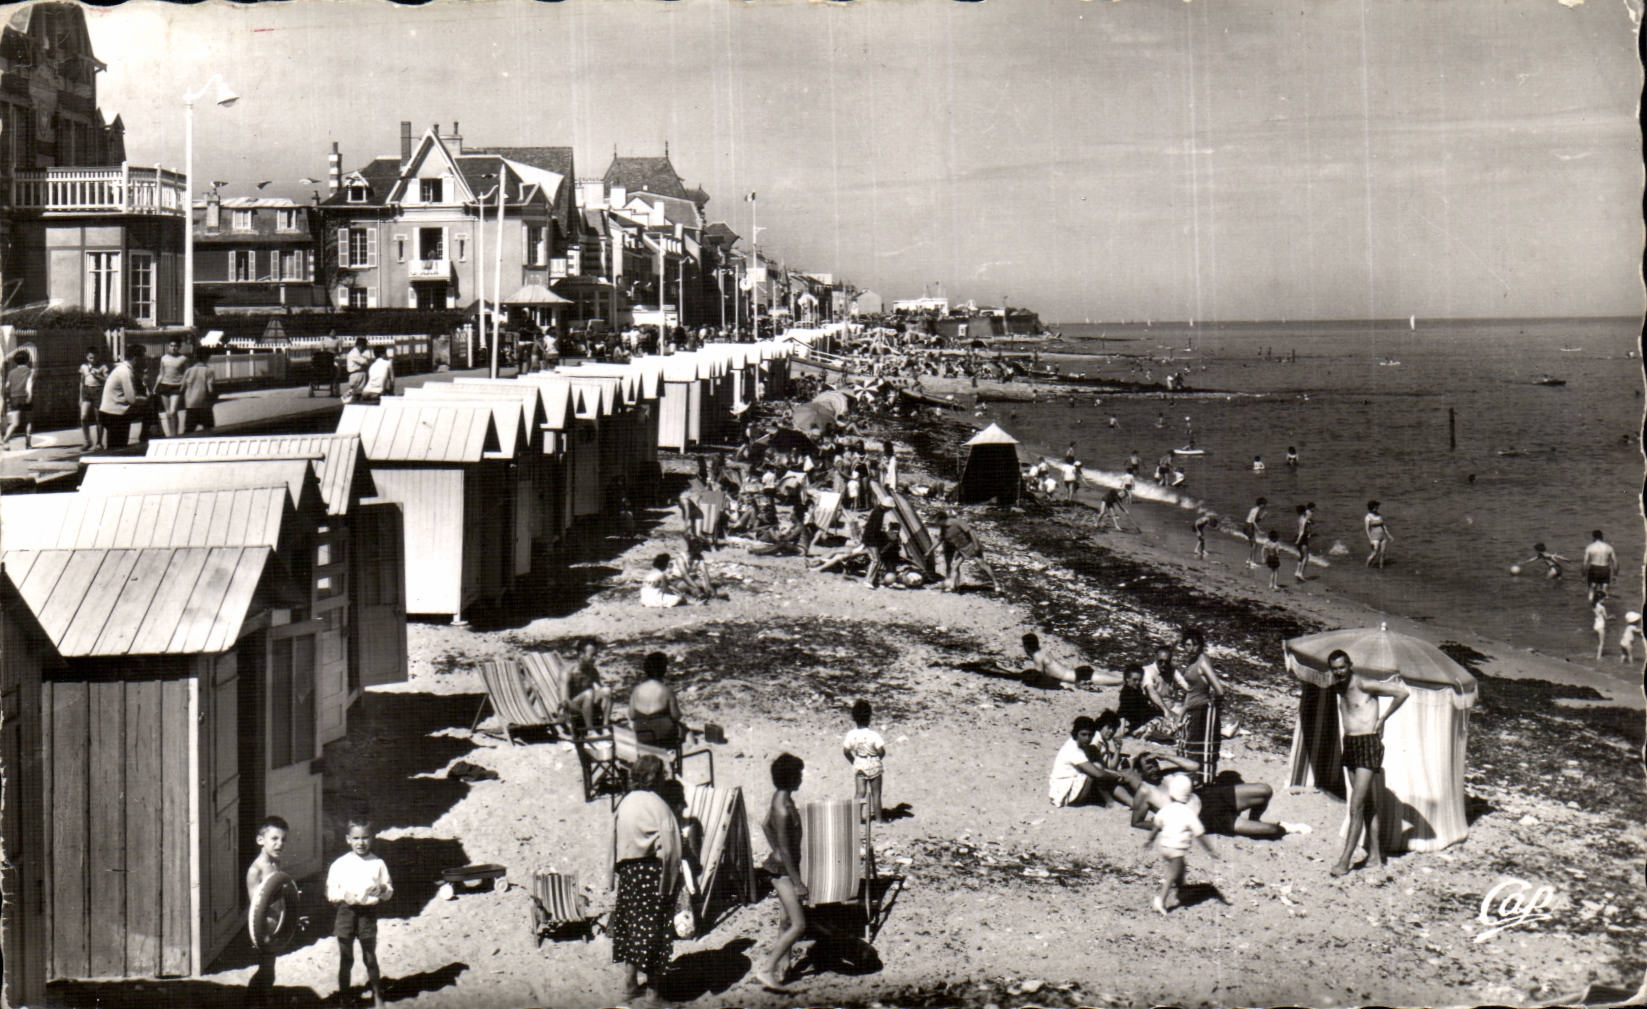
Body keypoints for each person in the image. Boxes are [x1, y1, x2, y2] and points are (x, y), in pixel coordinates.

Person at [1327, 649, 1409, 878]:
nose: (1339, 672)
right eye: (1334, 669)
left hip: (1367, 744)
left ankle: (1344, 861)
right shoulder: (1338, 686)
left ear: (1350, 665)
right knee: (1367, 804)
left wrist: (1383, 718)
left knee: (1355, 806)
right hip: (1350, 745)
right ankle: (1375, 856)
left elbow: (1402, 692)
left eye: (1342, 667)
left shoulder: (1363, 684)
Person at [609, 755, 682, 1006]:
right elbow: (671, 849)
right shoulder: (658, 805)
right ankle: (653, 995)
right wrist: (673, 881)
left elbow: (614, 840)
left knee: (632, 929)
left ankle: (629, 986)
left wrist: (614, 871)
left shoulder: (625, 803)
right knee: (656, 933)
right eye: (662, 775)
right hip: (653, 874)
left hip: (629, 873)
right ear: (654, 778)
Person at [755, 753, 807, 993]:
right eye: (798, 774)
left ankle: (783, 968)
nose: (801, 778)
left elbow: (765, 825)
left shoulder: (781, 799)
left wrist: (774, 845)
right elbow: (786, 851)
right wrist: (798, 884)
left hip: (782, 867)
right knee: (798, 925)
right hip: (783, 872)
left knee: (786, 920)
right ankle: (767, 969)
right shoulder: (783, 808)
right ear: (790, 777)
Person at [328, 816, 393, 1008]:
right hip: (346, 913)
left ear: (372, 838)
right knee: (346, 958)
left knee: (370, 956)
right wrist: (343, 895)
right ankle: (345, 997)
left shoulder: (378, 863)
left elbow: (388, 890)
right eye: (356, 838)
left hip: (367, 914)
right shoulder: (339, 864)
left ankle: (377, 994)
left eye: (365, 837)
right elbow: (331, 891)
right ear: (348, 839)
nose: (361, 842)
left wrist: (381, 890)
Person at [1144, 772, 1217, 915]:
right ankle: (1161, 900)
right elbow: (1200, 834)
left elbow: (1156, 825)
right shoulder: (1189, 813)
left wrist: (1150, 840)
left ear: (1171, 793)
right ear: (1189, 796)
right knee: (1173, 873)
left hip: (1164, 846)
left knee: (1180, 867)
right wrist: (1210, 850)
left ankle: (1181, 888)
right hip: (1176, 849)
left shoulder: (1165, 809)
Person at [245, 816, 293, 1008]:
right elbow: (256, 905)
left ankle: (255, 999)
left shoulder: (275, 863)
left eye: (283, 840)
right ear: (260, 840)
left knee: (268, 968)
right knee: (267, 970)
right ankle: (261, 1001)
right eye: (274, 839)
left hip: (275, 925)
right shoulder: (255, 870)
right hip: (262, 928)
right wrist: (263, 933)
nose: (279, 844)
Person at [1173, 627, 1227, 786]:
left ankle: (1204, 782)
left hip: (1203, 710)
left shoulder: (1202, 661)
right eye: (1188, 645)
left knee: (1202, 749)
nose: (1191, 649)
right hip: (1193, 709)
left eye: (1195, 645)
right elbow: (1190, 692)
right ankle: (1194, 781)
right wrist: (1182, 713)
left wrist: (1212, 708)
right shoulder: (1192, 661)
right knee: (1189, 747)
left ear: (1201, 646)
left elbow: (1219, 690)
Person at [1047, 716, 1129, 807]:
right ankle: (1111, 802)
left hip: (1073, 785)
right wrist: (1115, 776)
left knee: (1100, 773)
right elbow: (1098, 774)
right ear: (1076, 733)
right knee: (1095, 774)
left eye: (1090, 735)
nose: (1087, 738)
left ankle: (1128, 800)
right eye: (1083, 734)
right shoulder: (1073, 749)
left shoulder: (1084, 746)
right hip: (1066, 792)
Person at [928, 510, 1002, 593]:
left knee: (982, 565)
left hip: (970, 546)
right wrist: (930, 551)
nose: (936, 524)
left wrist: (976, 545)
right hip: (961, 550)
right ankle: (954, 587)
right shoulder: (943, 528)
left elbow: (971, 532)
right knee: (955, 566)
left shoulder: (956, 522)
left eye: (936, 521)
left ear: (941, 519)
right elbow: (939, 540)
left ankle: (996, 584)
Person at [1021, 631, 1122, 688]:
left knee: (1119, 681)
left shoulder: (1037, 657)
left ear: (1027, 647)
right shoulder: (1043, 651)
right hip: (1076, 672)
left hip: (1077, 677)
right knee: (1114, 677)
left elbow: (1039, 676)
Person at [842, 699, 887, 823]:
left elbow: (846, 751)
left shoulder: (851, 734)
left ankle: (855, 818)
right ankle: (879, 819)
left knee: (860, 792)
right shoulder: (873, 735)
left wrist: (854, 761)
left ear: (854, 717)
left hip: (860, 763)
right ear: (869, 717)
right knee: (876, 793)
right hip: (874, 763)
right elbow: (882, 750)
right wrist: (877, 759)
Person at [630, 651, 687, 749]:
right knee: (683, 729)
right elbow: (676, 716)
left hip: (641, 735)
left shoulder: (637, 690)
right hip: (661, 735)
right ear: (663, 670)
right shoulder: (666, 691)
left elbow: (632, 715)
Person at [99, 345, 148, 450]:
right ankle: (146, 436)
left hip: (116, 412)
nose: (145, 360)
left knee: (117, 447)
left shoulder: (128, 370)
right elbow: (132, 399)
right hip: (114, 414)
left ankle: (146, 435)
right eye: (143, 357)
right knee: (117, 449)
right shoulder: (125, 372)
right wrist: (146, 399)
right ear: (135, 358)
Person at [566, 637, 613, 734]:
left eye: (596, 655)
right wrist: (582, 710)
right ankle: (590, 730)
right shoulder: (569, 672)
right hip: (573, 706)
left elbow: (599, 690)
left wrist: (603, 695)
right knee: (589, 693)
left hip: (588, 705)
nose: (595, 658)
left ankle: (605, 727)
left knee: (606, 690)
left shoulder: (592, 671)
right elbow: (565, 700)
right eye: (592, 655)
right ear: (581, 655)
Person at [1118, 664, 1169, 740]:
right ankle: (1142, 731)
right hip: (1143, 723)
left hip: (1144, 720)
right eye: (1134, 680)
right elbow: (1122, 713)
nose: (1137, 682)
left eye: (1140, 680)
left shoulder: (1136, 690)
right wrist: (1121, 733)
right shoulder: (1126, 694)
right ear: (1127, 679)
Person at [152, 338, 190, 437]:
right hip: (164, 386)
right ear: (168, 346)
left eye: (176, 346)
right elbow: (161, 374)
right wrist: (155, 387)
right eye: (171, 346)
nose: (173, 348)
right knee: (168, 413)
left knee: (173, 411)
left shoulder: (183, 359)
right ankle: (171, 435)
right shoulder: (163, 358)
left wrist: (183, 386)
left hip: (176, 387)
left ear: (179, 347)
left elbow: (187, 374)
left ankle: (175, 435)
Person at [2, 349, 35, 450]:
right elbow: (29, 385)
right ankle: (28, 443)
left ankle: (5, 440)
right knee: (28, 421)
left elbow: (7, 386)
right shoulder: (30, 371)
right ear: (28, 360)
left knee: (15, 423)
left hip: (14, 398)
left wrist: (7, 398)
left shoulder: (11, 373)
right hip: (25, 396)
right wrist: (29, 396)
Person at [78, 346, 109, 449]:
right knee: (83, 416)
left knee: (98, 418)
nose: (93, 360)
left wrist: (98, 376)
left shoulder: (103, 367)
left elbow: (108, 380)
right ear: (87, 357)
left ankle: (99, 442)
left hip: (98, 391)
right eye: (91, 358)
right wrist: (80, 397)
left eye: (95, 357)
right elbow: (82, 382)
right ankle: (87, 440)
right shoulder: (84, 367)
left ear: (98, 356)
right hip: (87, 391)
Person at [182, 349, 219, 432]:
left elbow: (182, 388)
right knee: (209, 430)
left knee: (189, 431)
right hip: (204, 405)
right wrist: (214, 398)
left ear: (195, 357)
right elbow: (210, 389)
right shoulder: (209, 371)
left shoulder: (189, 370)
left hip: (191, 405)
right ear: (207, 358)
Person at [1582, 531, 1618, 605]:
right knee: (1604, 589)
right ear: (1602, 537)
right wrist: (1615, 575)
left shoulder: (1590, 547)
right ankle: (1602, 606)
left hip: (1594, 568)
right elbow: (1615, 562)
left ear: (1593, 537)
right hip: (1605, 569)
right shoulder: (1609, 547)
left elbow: (1585, 563)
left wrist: (1583, 574)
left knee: (1592, 588)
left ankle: (1591, 606)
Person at [343, 337, 374, 403]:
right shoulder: (355, 353)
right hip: (357, 374)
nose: (365, 348)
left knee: (357, 393)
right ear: (360, 345)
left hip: (356, 374)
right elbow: (364, 362)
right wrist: (367, 361)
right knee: (358, 393)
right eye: (365, 346)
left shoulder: (356, 353)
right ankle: (349, 401)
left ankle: (352, 401)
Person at [1364, 501, 1392, 569]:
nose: (1377, 508)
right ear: (1372, 508)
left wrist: (1388, 535)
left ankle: (1381, 568)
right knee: (1375, 553)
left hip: (1382, 536)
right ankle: (1367, 566)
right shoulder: (1368, 517)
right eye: (1376, 507)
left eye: (1377, 507)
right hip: (1374, 537)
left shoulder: (1379, 515)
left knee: (1383, 553)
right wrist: (1370, 540)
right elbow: (1367, 529)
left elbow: (1383, 526)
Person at [1243, 497, 1268, 568]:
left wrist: (1262, 516)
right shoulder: (1256, 510)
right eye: (1264, 505)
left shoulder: (1255, 509)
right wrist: (1259, 530)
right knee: (1254, 544)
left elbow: (1255, 520)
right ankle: (1252, 562)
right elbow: (1253, 521)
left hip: (1247, 526)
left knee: (1253, 545)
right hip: (1249, 527)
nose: (1265, 506)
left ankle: (1249, 559)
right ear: (1261, 505)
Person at [1293, 503, 1315, 582]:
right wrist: (1298, 540)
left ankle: (1297, 571)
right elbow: (1302, 532)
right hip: (1302, 538)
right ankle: (1301, 573)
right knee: (1306, 557)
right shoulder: (1304, 519)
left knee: (1301, 555)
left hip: (1298, 536)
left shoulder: (1299, 519)